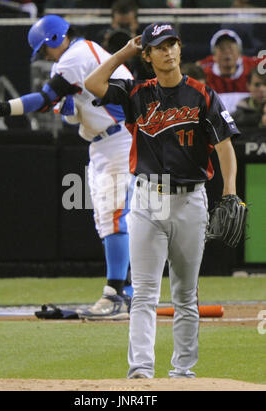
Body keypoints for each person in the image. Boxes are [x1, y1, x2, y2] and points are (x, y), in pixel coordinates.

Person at [85, 22, 242, 378]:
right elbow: (93, 83)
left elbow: (224, 146)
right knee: (143, 293)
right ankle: (141, 371)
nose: (169, 51)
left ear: (181, 49)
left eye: (173, 44)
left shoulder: (202, 94)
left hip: (190, 199)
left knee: (186, 294)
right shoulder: (136, 92)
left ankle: (182, 374)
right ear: (148, 54)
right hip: (147, 198)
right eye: (160, 46)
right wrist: (125, 51)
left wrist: (230, 190)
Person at [0, 14, 134, 320]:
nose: (46, 56)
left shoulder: (76, 55)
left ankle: (117, 295)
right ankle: (129, 290)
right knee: (108, 218)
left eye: (45, 49)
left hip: (119, 137)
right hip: (105, 141)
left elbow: (46, 98)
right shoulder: (81, 55)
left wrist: (1, 108)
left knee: (114, 215)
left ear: (56, 39)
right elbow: (60, 105)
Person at [197, 29, 263, 113]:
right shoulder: (204, 74)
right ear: (214, 55)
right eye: (222, 49)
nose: (227, 52)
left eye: (231, 48)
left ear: (239, 53)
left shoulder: (253, 68)